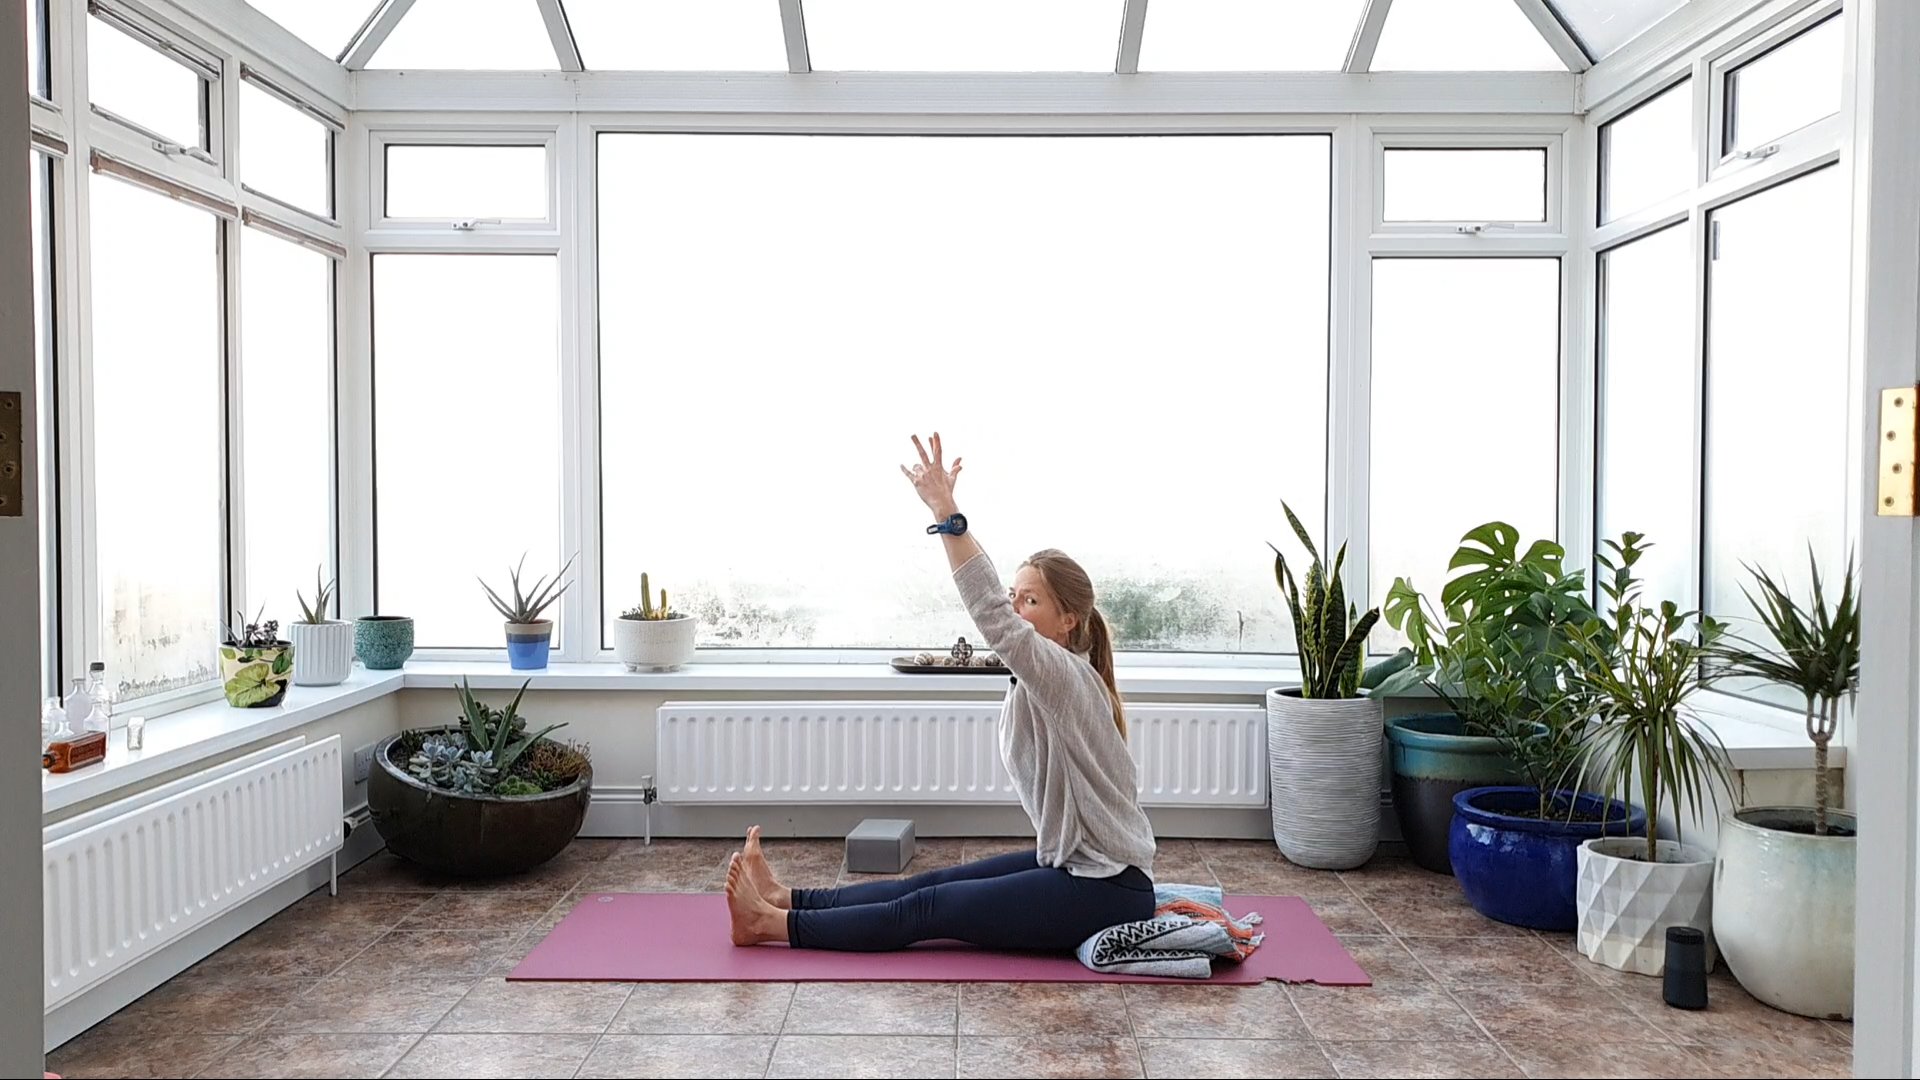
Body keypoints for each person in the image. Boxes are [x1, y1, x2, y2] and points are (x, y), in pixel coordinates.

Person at [724, 432, 1158, 951]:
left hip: (1107, 890)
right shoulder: (1048, 674)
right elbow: (999, 614)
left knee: (928, 911)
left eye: (1031, 601)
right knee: (928, 885)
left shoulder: (1064, 676)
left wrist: (948, 514)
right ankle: (786, 897)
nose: (1016, 608)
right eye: (1014, 596)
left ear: (1067, 619)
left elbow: (993, 619)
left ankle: (767, 926)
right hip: (1083, 869)